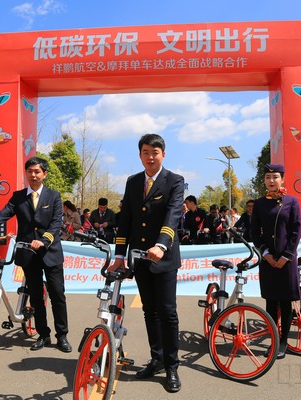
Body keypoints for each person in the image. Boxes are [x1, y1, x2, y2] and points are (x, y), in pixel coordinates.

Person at [0, 157, 72, 353]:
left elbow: (56, 224)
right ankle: (43, 335)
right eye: (30, 171)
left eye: (37, 171)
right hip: (28, 253)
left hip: (50, 253)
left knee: (57, 295)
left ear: (44, 174)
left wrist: (44, 240)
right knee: (35, 297)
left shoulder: (53, 196)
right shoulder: (18, 197)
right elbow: (2, 214)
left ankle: (62, 336)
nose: (33, 175)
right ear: (25, 173)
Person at [109, 133, 184, 393]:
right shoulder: (133, 181)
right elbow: (126, 219)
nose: (150, 157)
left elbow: (173, 214)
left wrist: (161, 245)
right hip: (140, 257)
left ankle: (172, 366)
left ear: (163, 154)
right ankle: (157, 359)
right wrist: (120, 255)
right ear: (140, 155)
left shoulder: (175, 181)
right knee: (149, 311)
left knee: (167, 312)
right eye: (145, 152)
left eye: (155, 152)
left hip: (164, 257)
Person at [250, 164, 301, 359]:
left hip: (286, 260)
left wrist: (286, 256)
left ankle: (283, 342)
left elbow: (296, 230)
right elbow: (254, 232)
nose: (271, 181)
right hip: (268, 259)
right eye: (268, 177)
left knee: (286, 301)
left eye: (275, 177)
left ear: (282, 179)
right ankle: (273, 340)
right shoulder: (259, 203)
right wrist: (265, 253)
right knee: (271, 302)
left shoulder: (291, 201)